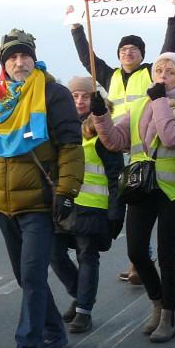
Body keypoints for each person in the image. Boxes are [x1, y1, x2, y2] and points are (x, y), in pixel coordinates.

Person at [0, 30, 84, 348]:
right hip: (4, 205)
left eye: (25, 56)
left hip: (39, 203)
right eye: (12, 58)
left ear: (34, 58)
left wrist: (66, 192)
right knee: (23, 276)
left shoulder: (53, 93)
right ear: (4, 63)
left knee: (33, 275)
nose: (19, 63)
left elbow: (70, 147)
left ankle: (27, 347)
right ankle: (52, 330)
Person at [68, 1, 175, 284]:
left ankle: (139, 261)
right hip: (117, 145)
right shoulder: (111, 75)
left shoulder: (149, 74)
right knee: (130, 204)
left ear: (143, 55)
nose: (127, 53)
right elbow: (88, 58)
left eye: (133, 49)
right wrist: (76, 27)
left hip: (146, 148)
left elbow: (169, 50)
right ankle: (139, 260)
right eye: (123, 50)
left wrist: (173, 19)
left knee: (140, 202)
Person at [91, 52, 175, 342]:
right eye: (159, 69)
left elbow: (172, 138)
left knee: (166, 253)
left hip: (173, 190)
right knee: (136, 251)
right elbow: (114, 141)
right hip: (140, 186)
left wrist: (160, 100)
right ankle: (157, 301)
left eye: (170, 71)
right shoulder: (138, 106)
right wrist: (100, 114)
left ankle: (168, 316)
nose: (162, 74)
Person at [49, 76, 124, 333]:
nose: (79, 101)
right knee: (54, 253)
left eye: (84, 96)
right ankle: (79, 295)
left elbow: (116, 174)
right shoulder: (59, 126)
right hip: (64, 204)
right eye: (74, 96)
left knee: (86, 257)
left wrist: (116, 211)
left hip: (93, 206)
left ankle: (84, 311)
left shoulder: (102, 131)